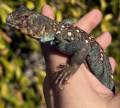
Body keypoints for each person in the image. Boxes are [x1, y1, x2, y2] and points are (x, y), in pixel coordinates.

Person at [41, 4, 120, 108]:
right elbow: (68, 22)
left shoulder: (59, 41)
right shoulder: (56, 37)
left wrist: (72, 67)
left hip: (105, 79)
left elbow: (83, 48)